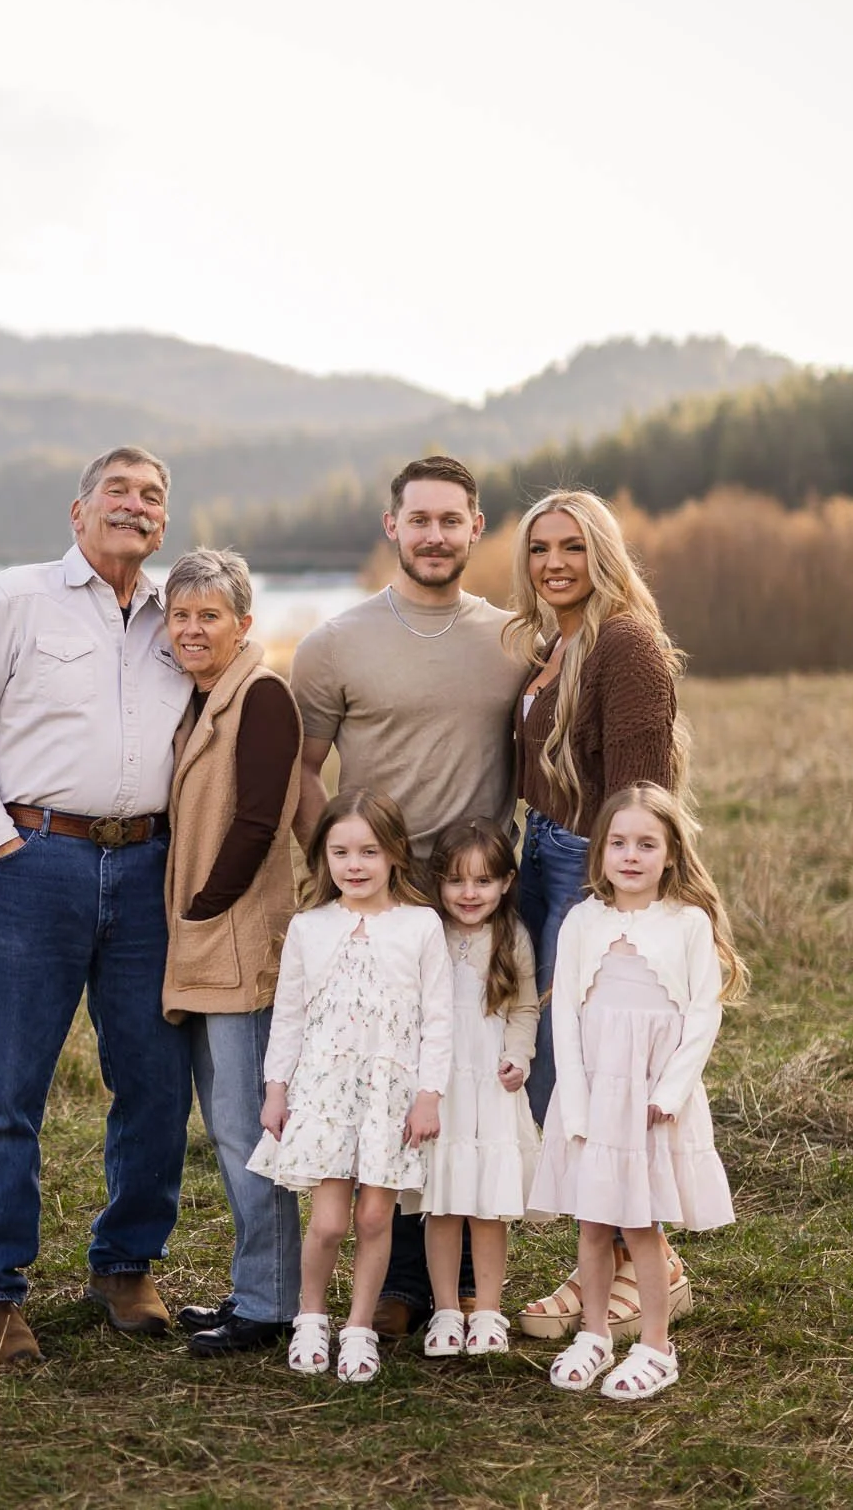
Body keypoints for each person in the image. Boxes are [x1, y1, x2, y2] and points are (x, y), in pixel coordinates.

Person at [0, 445, 195, 1366]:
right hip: (40, 861)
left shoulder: (178, 616)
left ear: (165, 521)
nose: (134, 505)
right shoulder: (14, 599)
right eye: (117, 491)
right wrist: (1, 839)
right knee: (11, 1084)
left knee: (156, 1082)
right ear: (77, 513)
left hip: (151, 866)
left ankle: (126, 1262)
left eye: (151, 496)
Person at [289, 455, 525, 1341]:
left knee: (463, 1082)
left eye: (450, 519)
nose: (434, 534)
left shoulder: (511, 641)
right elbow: (303, 772)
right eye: (417, 518)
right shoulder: (335, 642)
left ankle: (465, 1289)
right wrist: (343, 867)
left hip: (474, 901)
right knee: (387, 1081)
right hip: (382, 905)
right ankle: (401, 1289)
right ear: (392, 526)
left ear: (475, 526)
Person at [503, 488, 691, 1345]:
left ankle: (642, 1270)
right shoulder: (557, 641)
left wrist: (615, 898)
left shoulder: (625, 642)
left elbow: (641, 792)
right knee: (555, 1063)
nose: (553, 563)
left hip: (587, 866)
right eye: (540, 547)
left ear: (603, 552)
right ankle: (603, 1256)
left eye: (572, 546)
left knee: (600, 1066)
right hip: (538, 857)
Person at [529, 782, 743, 1402]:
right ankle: (594, 1334)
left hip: (651, 1097)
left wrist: (671, 1093)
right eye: (617, 843)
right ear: (598, 854)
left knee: (641, 1222)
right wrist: (574, 1093)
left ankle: (656, 1345)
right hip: (594, 1091)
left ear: (671, 853)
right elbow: (563, 1014)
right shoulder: (582, 920)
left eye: (646, 844)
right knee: (594, 1221)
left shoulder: (687, 924)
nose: (630, 855)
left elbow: (704, 1015)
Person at [153, 548, 306, 1361]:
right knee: (230, 1125)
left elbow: (257, 820)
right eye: (180, 614)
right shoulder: (204, 697)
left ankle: (271, 1303)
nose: (191, 628)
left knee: (253, 1129)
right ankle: (259, 1285)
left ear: (243, 623)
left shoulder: (264, 694)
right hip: (208, 936)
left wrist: (205, 901)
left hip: (239, 939)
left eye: (209, 614)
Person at [248, 790, 451, 1385]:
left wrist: (429, 1095)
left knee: (373, 1219)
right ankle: (312, 1317)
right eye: (341, 852)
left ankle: (359, 1327)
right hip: (326, 1092)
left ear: (394, 856)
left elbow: (438, 1019)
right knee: (331, 1220)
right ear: (324, 858)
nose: (355, 865)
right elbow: (288, 1015)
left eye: (369, 851)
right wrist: (276, 1088)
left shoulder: (420, 926)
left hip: (393, 1094)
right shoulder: (310, 928)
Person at [414, 817, 541, 1360]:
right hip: (440, 1082)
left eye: (484, 881)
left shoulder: (511, 935)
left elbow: (526, 1008)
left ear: (506, 883)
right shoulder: (426, 934)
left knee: (488, 1203)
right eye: (457, 881)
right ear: (438, 882)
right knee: (441, 1201)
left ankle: (487, 1310)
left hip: (489, 1080)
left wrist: (518, 1057)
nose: (470, 894)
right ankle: (445, 1309)